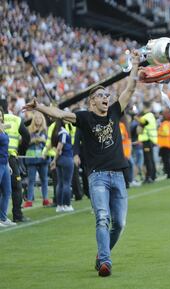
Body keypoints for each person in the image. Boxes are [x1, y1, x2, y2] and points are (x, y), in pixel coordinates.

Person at [23, 51, 140, 277]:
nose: (106, 97)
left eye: (107, 94)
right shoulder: (84, 117)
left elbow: (130, 89)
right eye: (100, 95)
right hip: (97, 176)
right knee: (102, 217)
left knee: (120, 223)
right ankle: (105, 261)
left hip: (118, 175)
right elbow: (59, 113)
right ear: (91, 101)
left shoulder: (115, 111)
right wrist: (39, 107)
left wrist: (135, 65)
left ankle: (101, 253)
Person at [1, 101, 31, 223]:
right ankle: (17, 215)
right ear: (7, 107)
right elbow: (26, 136)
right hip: (10, 158)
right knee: (16, 188)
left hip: (6, 160)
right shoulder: (15, 120)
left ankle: (3, 217)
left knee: (5, 190)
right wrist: (21, 150)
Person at [24, 111, 50, 208]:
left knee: (44, 180)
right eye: (36, 118)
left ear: (43, 120)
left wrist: (43, 140)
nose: (38, 119)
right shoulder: (28, 130)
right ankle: (29, 200)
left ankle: (45, 199)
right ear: (33, 119)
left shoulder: (46, 130)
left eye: (40, 118)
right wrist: (33, 140)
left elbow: (50, 142)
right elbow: (24, 143)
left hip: (43, 158)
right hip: (31, 158)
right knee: (31, 180)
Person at [50, 119, 74, 212]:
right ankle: (67, 205)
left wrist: (55, 160)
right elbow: (60, 147)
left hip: (60, 160)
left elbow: (54, 146)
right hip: (66, 158)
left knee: (60, 183)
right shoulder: (63, 132)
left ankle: (59, 205)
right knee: (66, 183)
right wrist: (54, 160)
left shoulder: (55, 131)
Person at [0, 107, 16, 227]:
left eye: (1, 116)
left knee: (7, 191)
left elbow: (5, 149)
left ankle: (3, 217)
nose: (0, 118)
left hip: (4, 163)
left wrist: (8, 164)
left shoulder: (3, 129)